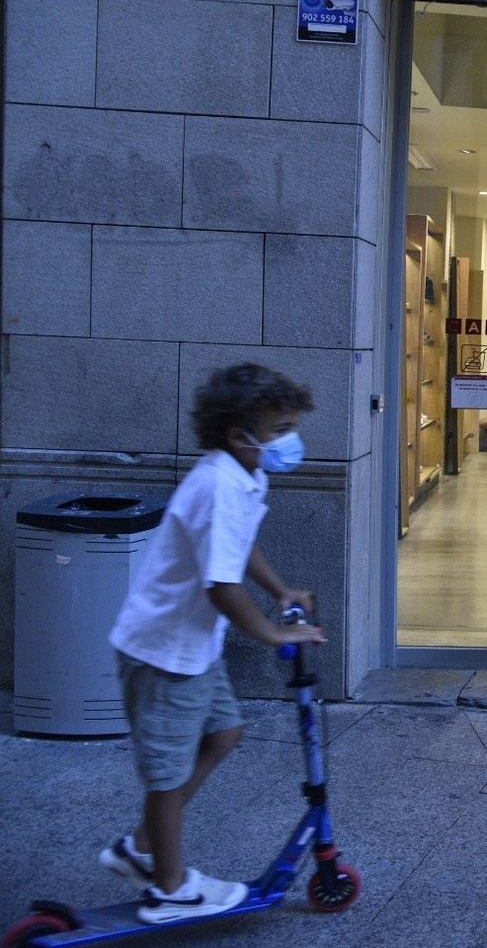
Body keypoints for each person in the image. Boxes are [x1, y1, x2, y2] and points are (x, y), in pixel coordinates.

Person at [101, 363, 325, 923]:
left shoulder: (245, 473)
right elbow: (220, 583)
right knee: (168, 774)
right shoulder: (220, 484)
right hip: (162, 654)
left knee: (225, 733)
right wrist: (274, 631)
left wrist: (280, 590)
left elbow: (239, 546)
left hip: (192, 648)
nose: (290, 441)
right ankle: (169, 888)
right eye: (281, 430)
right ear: (237, 434)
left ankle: (144, 844)